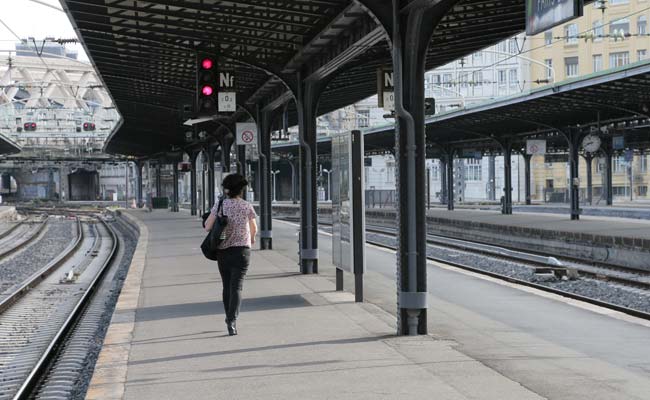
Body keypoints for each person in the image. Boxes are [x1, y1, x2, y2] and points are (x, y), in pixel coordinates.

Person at [204, 174, 257, 336]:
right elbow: (254, 228)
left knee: (226, 286)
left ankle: (228, 317)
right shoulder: (247, 206)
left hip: (223, 251)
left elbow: (207, 227)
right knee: (237, 286)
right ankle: (232, 320)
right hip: (242, 251)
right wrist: (252, 239)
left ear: (227, 190)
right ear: (241, 190)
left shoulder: (220, 205)